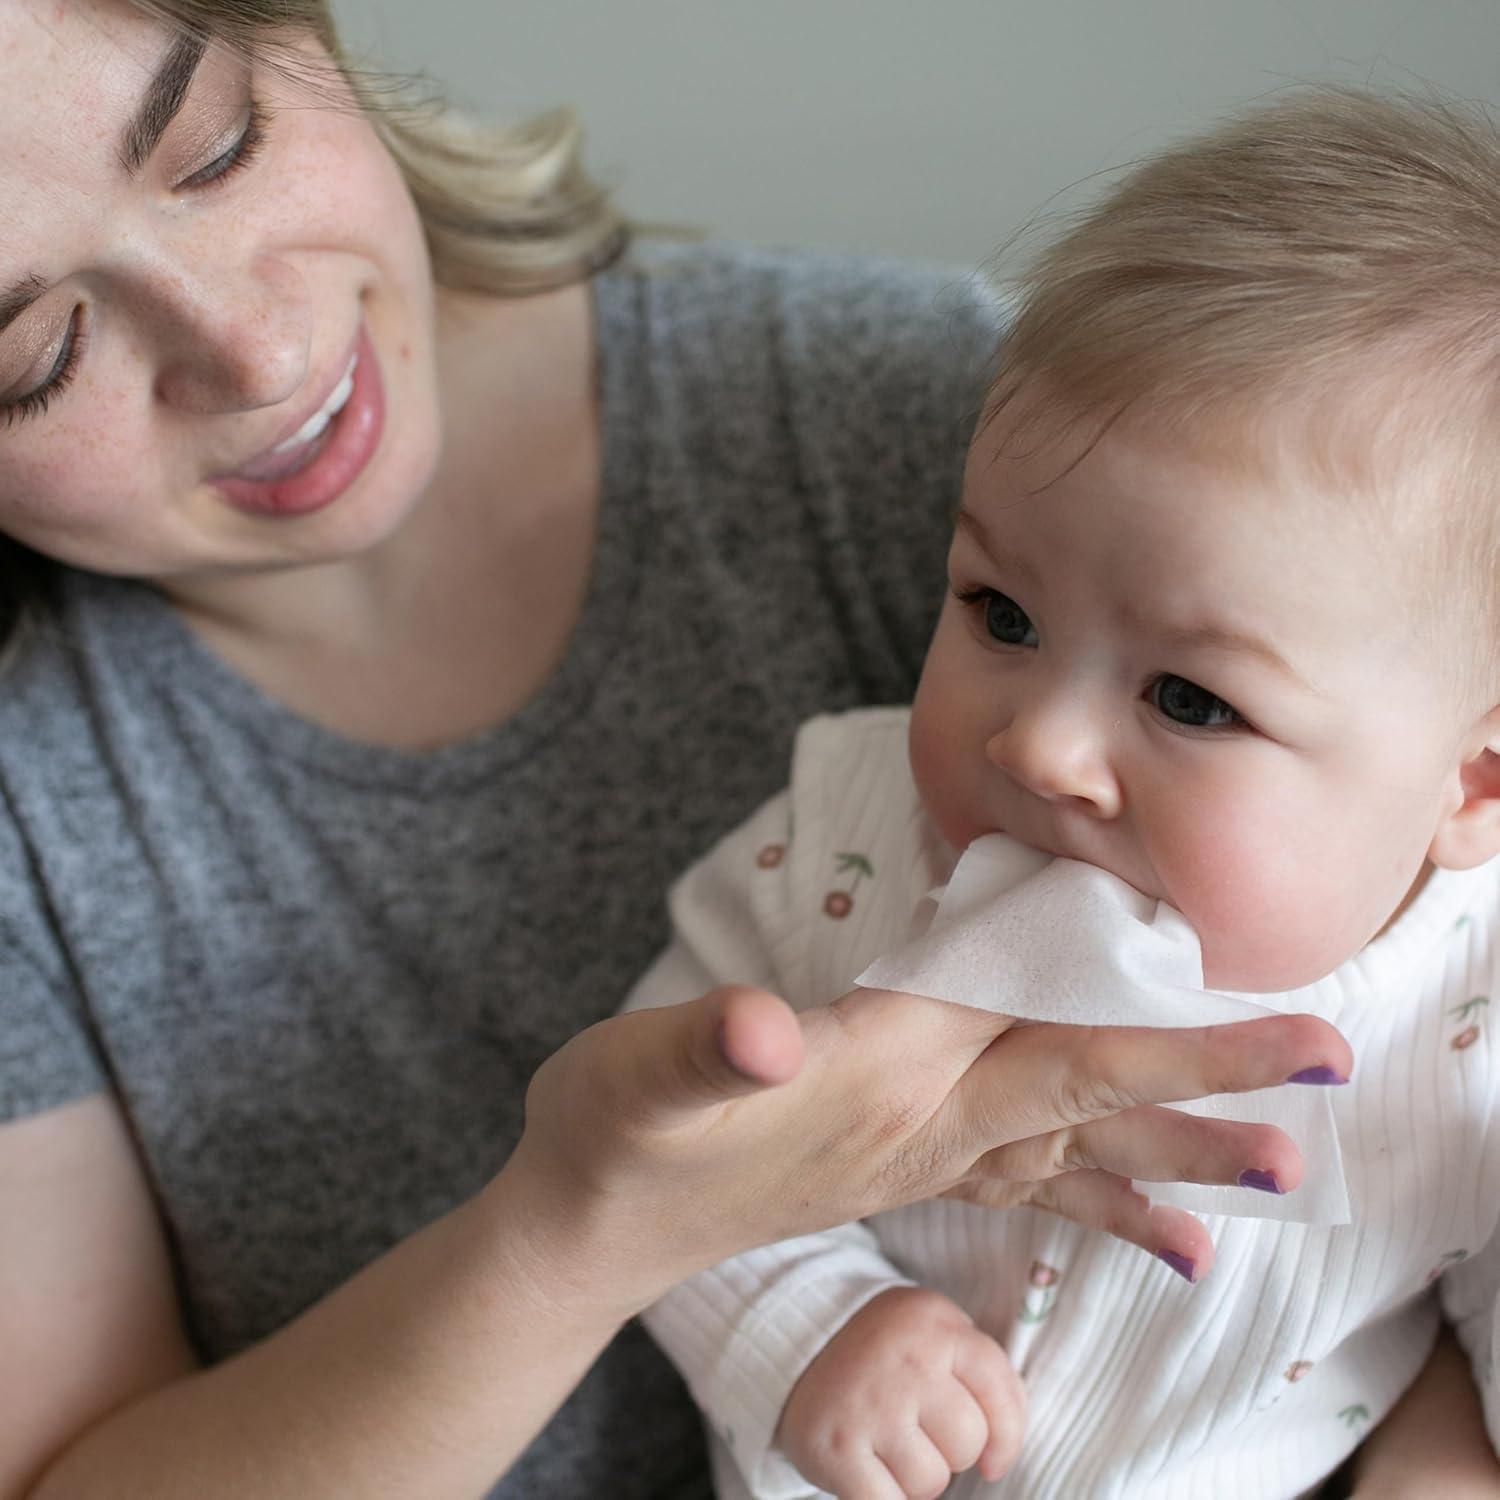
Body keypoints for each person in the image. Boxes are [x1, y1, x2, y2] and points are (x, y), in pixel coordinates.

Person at [0, 3, 1360, 1497]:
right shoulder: (33, 795)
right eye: (36, 354)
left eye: (219, 146)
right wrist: (587, 1228)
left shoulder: (893, 427)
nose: (253, 351)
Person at [627, 89, 1500, 1500]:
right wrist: (806, 1325)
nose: (1037, 748)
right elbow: (648, 1151)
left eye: (1191, 700)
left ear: (1473, 782)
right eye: (1001, 613)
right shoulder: (846, 850)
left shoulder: (1475, 1013)